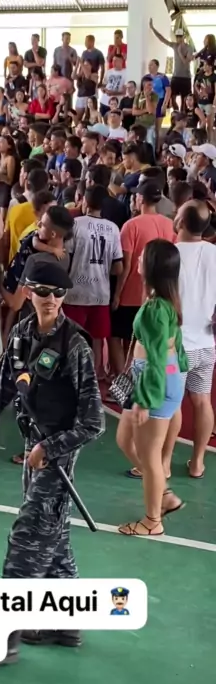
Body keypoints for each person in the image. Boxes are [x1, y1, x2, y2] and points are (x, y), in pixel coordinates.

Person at [0, 253, 104, 663]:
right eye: (43, 291)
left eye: (58, 292)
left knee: (28, 541)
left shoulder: (75, 346)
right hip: (35, 449)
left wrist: (50, 448)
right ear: (29, 291)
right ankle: (65, 623)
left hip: (55, 457)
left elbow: (94, 422)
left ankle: (4, 638)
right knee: (54, 538)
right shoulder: (21, 334)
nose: (51, 299)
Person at [117, 240, 187, 538]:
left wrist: (146, 400)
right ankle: (164, 495)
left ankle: (152, 521)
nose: (137, 258)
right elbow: (173, 350)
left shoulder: (156, 309)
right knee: (125, 440)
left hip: (153, 382)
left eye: (143, 256)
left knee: (149, 456)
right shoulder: (165, 301)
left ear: (152, 266)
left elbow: (157, 358)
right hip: (158, 378)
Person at [111, 179, 175, 376]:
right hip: (159, 294)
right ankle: (137, 376)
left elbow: (127, 265)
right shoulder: (169, 225)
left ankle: (123, 379)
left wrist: (117, 294)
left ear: (140, 199)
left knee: (116, 336)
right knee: (144, 340)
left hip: (132, 293)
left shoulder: (131, 226)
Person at [172, 200, 216, 478]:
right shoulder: (214, 253)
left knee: (172, 403)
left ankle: (163, 462)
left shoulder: (170, 254)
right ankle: (197, 462)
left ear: (181, 222)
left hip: (176, 347)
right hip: (206, 344)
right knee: (202, 401)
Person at [64, 186, 123, 374]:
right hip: (100, 293)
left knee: (72, 338)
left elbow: (66, 258)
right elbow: (118, 268)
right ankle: (94, 378)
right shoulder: (113, 229)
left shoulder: (75, 224)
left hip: (75, 292)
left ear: (85, 202)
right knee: (97, 340)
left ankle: (74, 377)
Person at [149, 19, 192, 110]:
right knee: (172, 98)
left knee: (185, 100)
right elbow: (162, 39)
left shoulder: (189, 48)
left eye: (180, 36)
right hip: (176, 76)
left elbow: (186, 62)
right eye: (177, 37)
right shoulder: (174, 45)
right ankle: (176, 113)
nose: (179, 38)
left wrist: (179, 52)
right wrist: (153, 28)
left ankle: (183, 115)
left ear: (184, 36)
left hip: (186, 77)